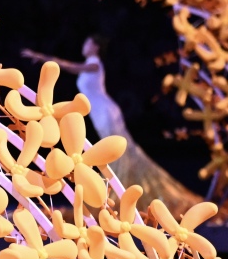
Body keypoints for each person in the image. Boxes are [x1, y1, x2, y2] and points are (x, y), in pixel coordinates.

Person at [21, 36, 199, 217]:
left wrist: (42, 57)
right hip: (100, 114)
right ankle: (118, 195)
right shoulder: (92, 63)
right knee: (120, 155)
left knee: (117, 154)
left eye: (88, 42)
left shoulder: (95, 64)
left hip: (107, 113)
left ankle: (117, 196)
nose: (84, 45)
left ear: (96, 47)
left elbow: (70, 67)